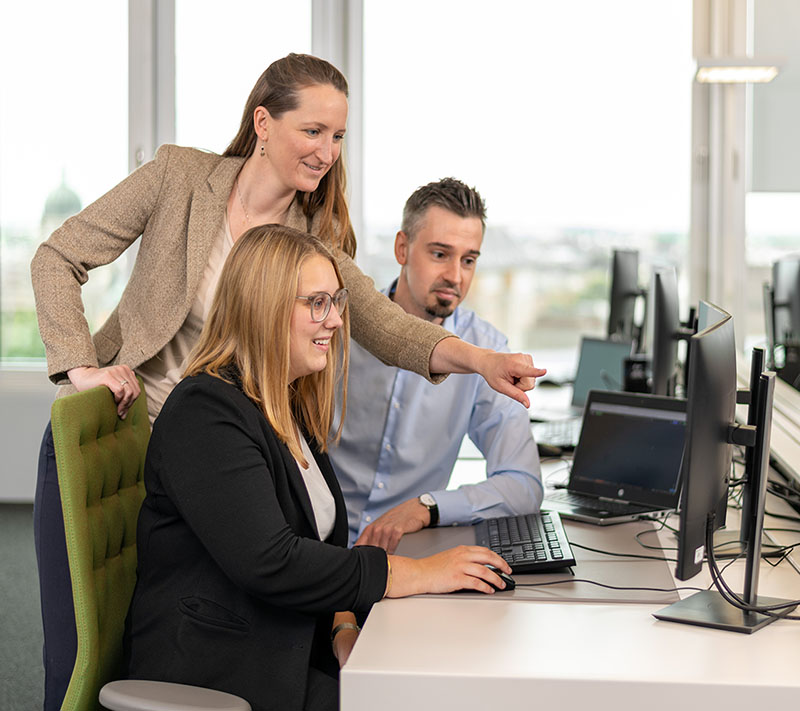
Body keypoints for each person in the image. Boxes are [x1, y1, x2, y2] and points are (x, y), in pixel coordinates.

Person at [30, 52, 545, 711]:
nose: (327, 151)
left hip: (220, 456)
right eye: (313, 131)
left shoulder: (311, 241)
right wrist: (83, 366)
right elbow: (57, 257)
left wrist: (479, 360)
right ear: (263, 123)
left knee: (184, 614)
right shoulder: (180, 177)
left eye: (338, 137)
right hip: (130, 436)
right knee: (79, 655)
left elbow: (386, 324)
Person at [123, 224, 511, 711]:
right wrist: (417, 573)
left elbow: (318, 545)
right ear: (263, 306)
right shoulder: (206, 412)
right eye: (317, 304)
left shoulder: (287, 404)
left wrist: (344, 627)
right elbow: (274, 561)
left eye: (337, 303)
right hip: (227, 667)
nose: (336, 322)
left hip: (295, 642)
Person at [330, 178, 543, 551]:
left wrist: (428, 507)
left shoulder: (487, 349)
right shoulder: (336, 328)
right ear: (402, 248)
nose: (455, 277)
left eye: (469, 260)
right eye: (440, 254)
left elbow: (523, 483)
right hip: (316, 543)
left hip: (407, 555)